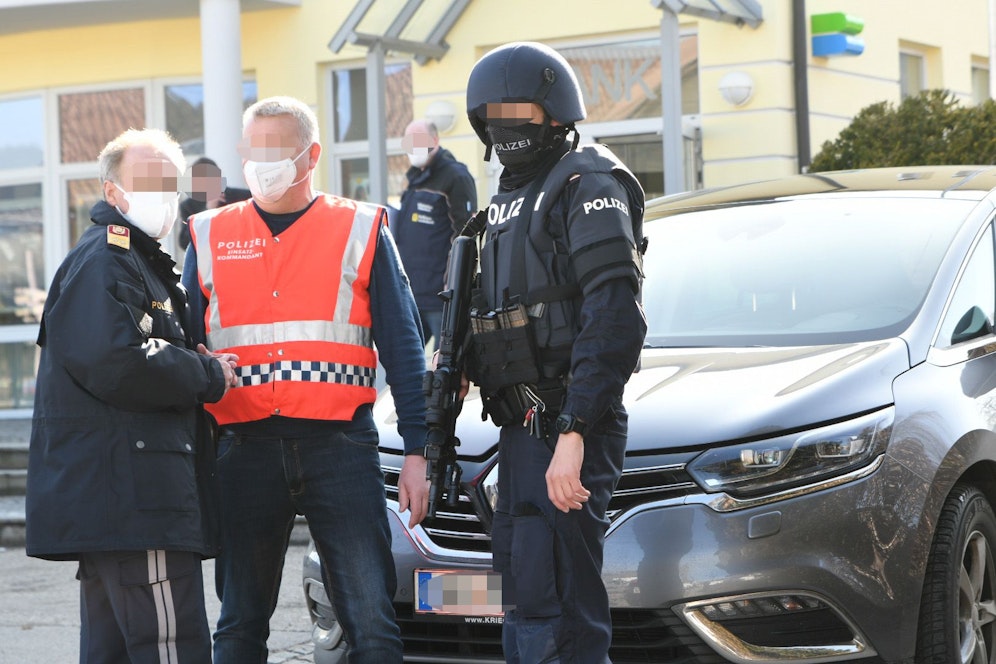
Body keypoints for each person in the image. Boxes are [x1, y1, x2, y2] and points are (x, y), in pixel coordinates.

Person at [181, 96, 430, 664]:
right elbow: (187, 356)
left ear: (310, 154)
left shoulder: (361, 228)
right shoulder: (208, 233)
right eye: (252, 150)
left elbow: (405, 350)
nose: (259, 162)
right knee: (239, 624)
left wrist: (419, 451)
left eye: (274, 150)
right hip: (242, 450)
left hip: (339, 447)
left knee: (372, 622)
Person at [24, 128, 239, 664]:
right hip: (135, 501)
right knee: (172, 649)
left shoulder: (137, 259)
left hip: (124, 501)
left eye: (169, 182)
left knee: (114, 652)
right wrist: (207, 375)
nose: (162, 194)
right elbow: (118, 360)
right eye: (147, 181)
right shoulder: (105, 258)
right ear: (112, 191)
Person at [463, 42, 647, 663]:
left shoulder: (587, 180)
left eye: (520, 110)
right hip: (517, 431)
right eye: (495, 113)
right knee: (521, 593)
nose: (507, 124)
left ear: (555, 111)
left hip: (569, 425)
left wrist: (575, 430)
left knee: (565, 603)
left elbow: (614, 316)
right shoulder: (502, 204)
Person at [394, 119, 477, 352]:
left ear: (435, 141)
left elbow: (466, 236)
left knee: (443, 365)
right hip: (411, 292)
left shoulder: (455, 176)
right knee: (406, 360)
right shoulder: (413, 178)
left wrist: (457, 288)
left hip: (440, 295)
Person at [176, 156, 251, 251]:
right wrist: (208, 211)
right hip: (209, 257)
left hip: (241, 250)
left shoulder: (243, 197)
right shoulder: (188, 206)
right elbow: (185, 242)